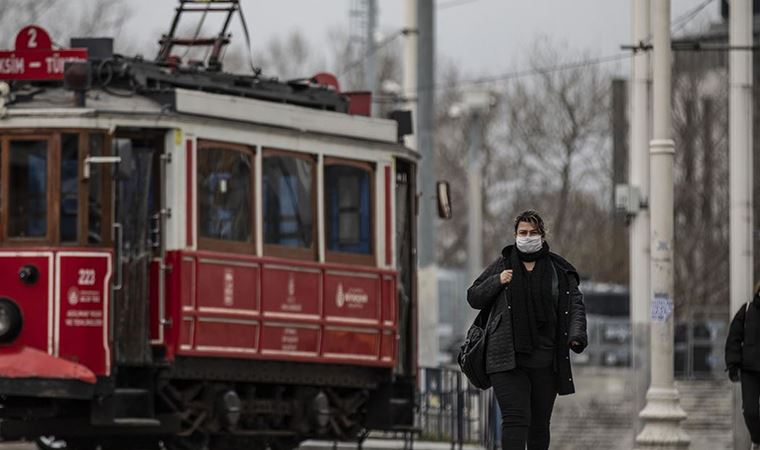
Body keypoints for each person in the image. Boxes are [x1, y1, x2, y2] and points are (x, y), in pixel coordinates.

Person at [466, 210, 587, 450]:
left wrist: (576, 336)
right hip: (505, 359)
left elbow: (575, 305)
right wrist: (498, 280)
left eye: (533, 233)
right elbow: (474, 296)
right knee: (515, 419)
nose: (527, 237)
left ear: (542, 235)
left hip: (546, 361)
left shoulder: (559, 270)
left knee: (540, 425)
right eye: (523, 233)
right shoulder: (503, 264)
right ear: (515, 235)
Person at [725, 282, 760, 450]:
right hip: (750, 370)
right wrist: (733, 366)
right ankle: (757, 438)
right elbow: (734, 338)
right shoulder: (746, 310)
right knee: (750, 411)